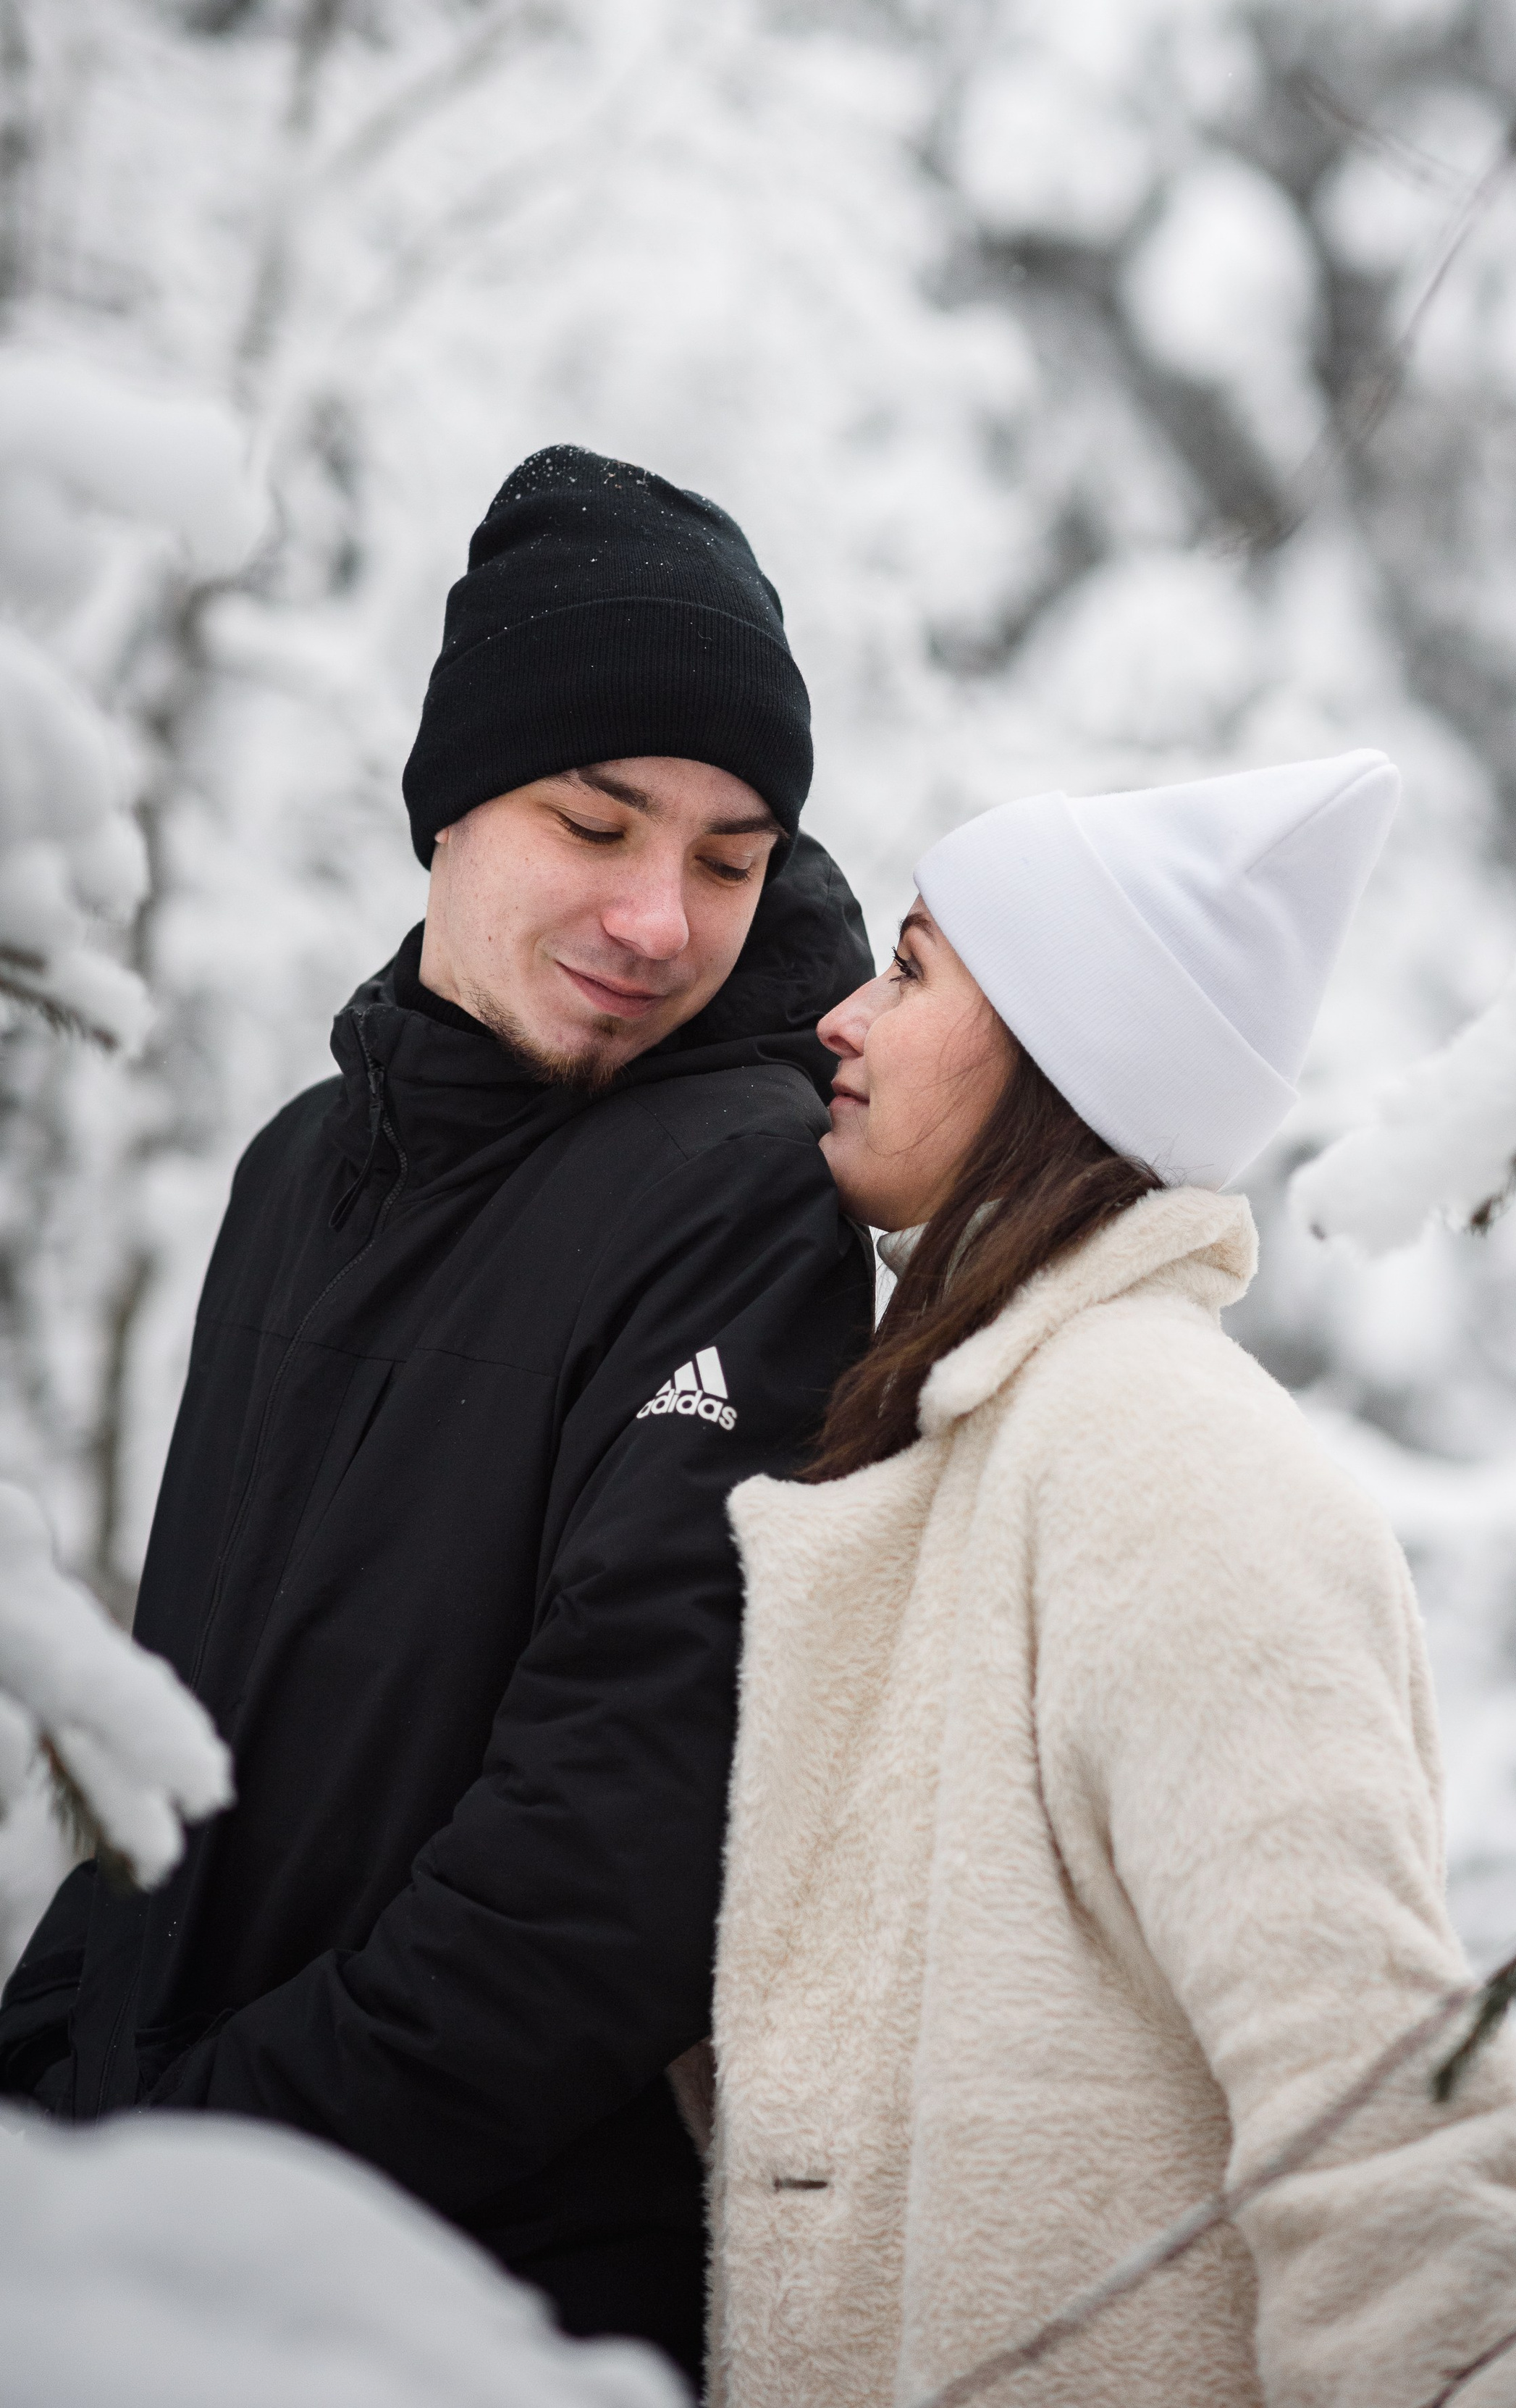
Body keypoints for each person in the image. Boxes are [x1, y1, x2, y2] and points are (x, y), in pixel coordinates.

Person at [0, 446, 875, 2383]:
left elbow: (612, 1860)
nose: (660, 913)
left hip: (460, 2312)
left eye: (731, 860)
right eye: (598, 822)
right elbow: (194, 1739)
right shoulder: (298, 1173)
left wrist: (189, 2157)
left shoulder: (744, 1197)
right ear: (454, 801)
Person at [704, 751, 1516, 2408]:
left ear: (1056, 1047)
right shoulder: (1001, 1434)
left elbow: (1383, 2128)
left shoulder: (1158, 1452)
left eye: (907, 969)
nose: (841, 1016)